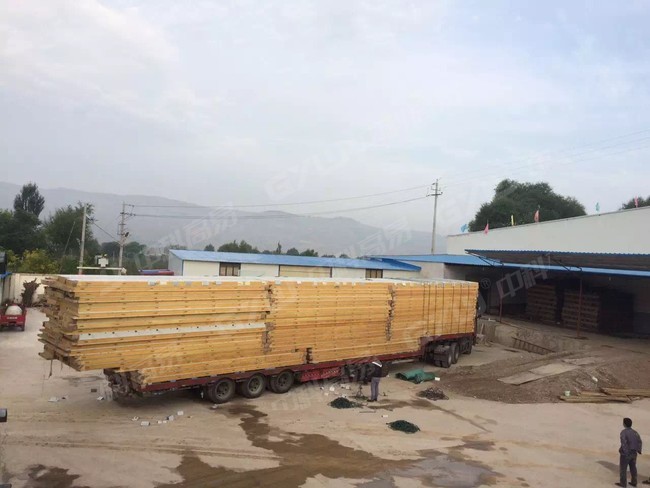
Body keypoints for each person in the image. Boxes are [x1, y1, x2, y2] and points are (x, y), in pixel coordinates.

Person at [617, 417, 642, 487]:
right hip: (634, 453)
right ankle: (634, 482)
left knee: (623, 469)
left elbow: (624, 443)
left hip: (626, 454)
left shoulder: (623, 432)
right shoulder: (635, 432)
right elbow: (639, 441)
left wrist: (625, 452)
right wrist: (639, 450)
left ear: (624, 424)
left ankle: (623, 483)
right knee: (633, 468)